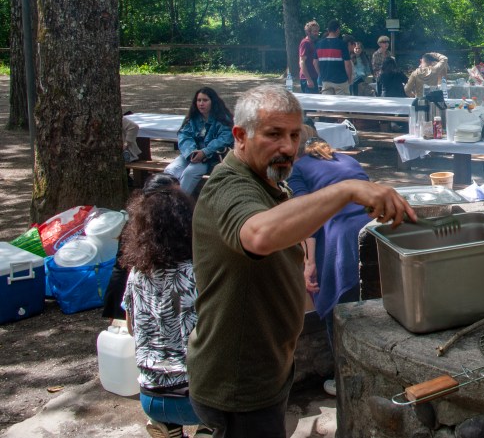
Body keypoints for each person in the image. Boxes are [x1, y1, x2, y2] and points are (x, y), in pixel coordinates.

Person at [187, 84, 415, 438]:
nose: (288, 147)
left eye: (294, 135)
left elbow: (292, 226)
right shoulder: (230, 186)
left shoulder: (269, 181)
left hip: (267, 370)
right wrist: (346, 190)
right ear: (240, 136)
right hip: (237, 384)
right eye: (274, 134)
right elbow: (258, 235)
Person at [119, 173, 211, 438]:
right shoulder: (199, 273)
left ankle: (168, 426)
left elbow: (132, 328)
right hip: (198, 396)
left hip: (150, 395)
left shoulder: (137, 274)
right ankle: (209, 429)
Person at [287, 126, 371, 397]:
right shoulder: (346, 159)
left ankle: (343, 380)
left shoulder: (297, 169)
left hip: (342, 237)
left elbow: (306, 214)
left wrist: (309, 263)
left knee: (337, 308)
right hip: (374, 230)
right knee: (371, 305)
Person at [163, 87, 234, 197]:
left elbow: (224, 139)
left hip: (210, 159)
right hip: (190, 155)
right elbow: (184, 135)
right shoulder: (193, 118)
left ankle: (180, 203)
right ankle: (164, 200)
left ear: (213, 102)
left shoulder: (223, 119)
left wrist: (204, 152)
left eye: (205, 100)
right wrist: (191, 152)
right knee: (170, 170)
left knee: (189, 172)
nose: (201, 103)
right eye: (199, 100)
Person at [315, 20, 352, 95]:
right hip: (340, 81)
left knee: (327, 102)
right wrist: (349, 78)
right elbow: (347, 64)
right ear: (338, 30)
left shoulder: (319, 44)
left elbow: (315, 63)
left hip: (326, 81)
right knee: (342, 102)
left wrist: (321, 75)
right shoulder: (342, 44)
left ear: (328, 30)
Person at [298, 20, 320, 93]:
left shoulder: (313, 42)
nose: (317, 33)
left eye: (318, 31)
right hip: (307, 78)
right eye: (315, 31)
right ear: (308, 32)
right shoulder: (305, 43)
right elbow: (302, 62)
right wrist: (308, 79)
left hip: (314, 77)